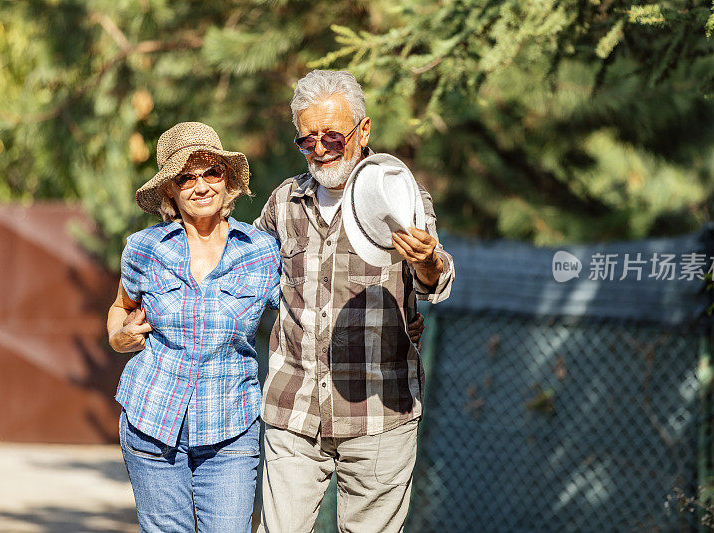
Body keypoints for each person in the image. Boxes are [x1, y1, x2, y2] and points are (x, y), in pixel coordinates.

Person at [254, 70, 455, 532]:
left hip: (380, 414)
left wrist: (426, 263)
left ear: (363, 131)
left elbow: (436, 280)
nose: (320, 149)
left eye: (332, 136)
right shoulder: (284, 203)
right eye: (307, 140)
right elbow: (246, 277)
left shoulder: (399, 196)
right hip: (294, 410)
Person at [106, 122, 280, 533]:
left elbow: (299, 319)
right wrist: (119, 337)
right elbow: (120, 307)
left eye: (211, 173)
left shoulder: (261, 252)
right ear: (170, 190)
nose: (200, 186)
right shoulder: (144, 249)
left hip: (231, 426)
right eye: (186, 177)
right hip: (151, 422)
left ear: (226, 179)